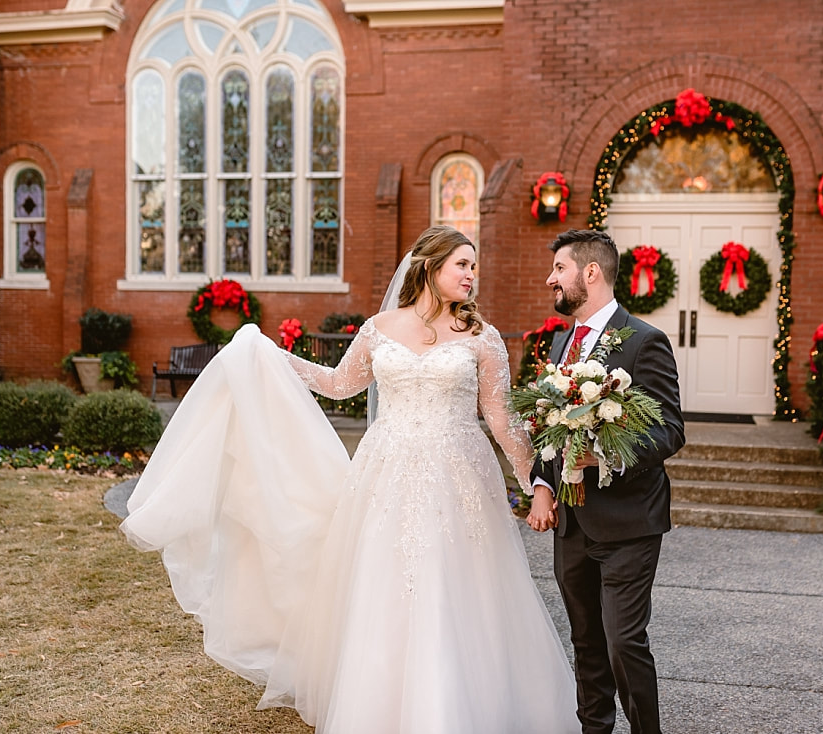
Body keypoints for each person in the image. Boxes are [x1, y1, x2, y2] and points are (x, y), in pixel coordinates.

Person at [120, 225, 579, 734]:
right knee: (384, 585)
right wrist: (270, 357)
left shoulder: (482, 338)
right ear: (429, 267)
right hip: (385, 477)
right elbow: (340, 385)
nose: (472, 275)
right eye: (462, 265)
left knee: (460, 586)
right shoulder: (379, 327)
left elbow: (501, 420)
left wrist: (539, 484)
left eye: (474, 267)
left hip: (460, 479)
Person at [526, 228, 685, 734]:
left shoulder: (644, 341)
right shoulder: (559, 342)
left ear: (590, 273)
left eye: (559, 269)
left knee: (623, 642)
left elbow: (670, 429)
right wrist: (544, 485)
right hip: (571, 524)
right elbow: (549, 426)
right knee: (586, 641)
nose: (550, 278)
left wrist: (604, 455)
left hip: (627, 522)